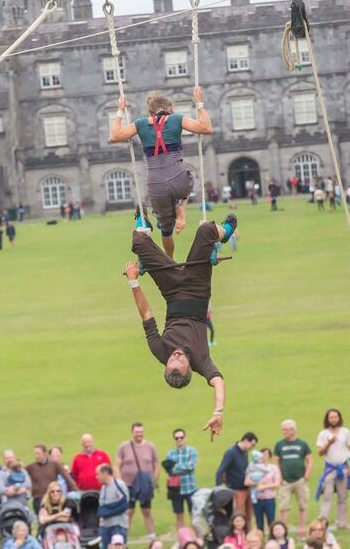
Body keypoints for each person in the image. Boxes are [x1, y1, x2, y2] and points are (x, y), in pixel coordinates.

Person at [126, 214, 236, 438]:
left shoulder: (161, 351)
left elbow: (146, 314)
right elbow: (218, 382)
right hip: (197, 287)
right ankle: (225, 231)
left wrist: (133, 281)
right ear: (188, 369)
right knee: (206, 231)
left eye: (171, 362)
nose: (175, 356)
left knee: (138, 242)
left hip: (173, 291)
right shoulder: (201, 361)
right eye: (179, 361)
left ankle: (143, 224)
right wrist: (218, 411)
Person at [110, 88, 214, 259]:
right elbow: (206, 127)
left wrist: (120, 110)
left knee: (166, 231)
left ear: (150, 111)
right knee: (189, 176)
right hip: (179, 179)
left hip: (155, 184)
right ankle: (181, 207)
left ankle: (170, 261)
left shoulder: (140, 123)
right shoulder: (176, 119)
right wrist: (199, 103)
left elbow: (115, 135)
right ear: (170, 108)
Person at [116, 422, 159, 538]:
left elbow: (156, 464)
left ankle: (152, 539)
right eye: (137, 432)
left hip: (145, 485)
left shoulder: (150, 447)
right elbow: (116, 465)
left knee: (147, 512)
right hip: (128, 485)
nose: (139, 434)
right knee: (128, 512)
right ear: (132, 433)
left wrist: (154, 481)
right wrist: (120, 484)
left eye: (141, 432)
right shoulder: (124, 447)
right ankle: (124, 540)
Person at [316, 408, 350, 530]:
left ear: (339, 418)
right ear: (327, 419)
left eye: (335, 417)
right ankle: (323, 522)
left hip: (342, 468)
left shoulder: (345, 432)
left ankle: (341, 523)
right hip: (329, 468)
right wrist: (328, 443)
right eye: (331, 417)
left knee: (343, 496)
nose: (333, 419)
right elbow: (320, 452)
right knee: (327, 495)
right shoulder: (323, 434)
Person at [274, 420, 313, 534]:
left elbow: (309, 460)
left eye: (286, 429)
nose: (284, 432)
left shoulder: (303, 444)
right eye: (283, 429)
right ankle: (283, 530)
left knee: (302, 505)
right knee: (283, 507)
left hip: (300, 480)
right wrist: (279, 477)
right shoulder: (279, 445)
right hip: (285, 481)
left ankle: (302, 529)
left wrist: (306, 476)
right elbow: (276, 461)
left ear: (293, 430)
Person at [217, 433, 258, 526]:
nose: (252, 448)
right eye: (252, 445)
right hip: (237, 490)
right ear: (246, 440)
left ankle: (248, 536)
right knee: (239, 517)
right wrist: (218, 490)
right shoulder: (231, 452)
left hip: (247, 488)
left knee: (249, 516)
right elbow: (220, 471)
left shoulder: (245, 453)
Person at [28, 445, 78, 512]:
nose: (36, 456)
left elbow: (67, 477)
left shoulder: (54, 464)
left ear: (44, 453)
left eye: (38, 454)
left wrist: (75, 489)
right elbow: (20, 472)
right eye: (35, 454)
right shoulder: (31, 467)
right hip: (38, 499)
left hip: (51, 499)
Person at [165, 428, 198, 530]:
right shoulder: (170, 454)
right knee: (179, 516)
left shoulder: (192, 451)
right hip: (176, 489)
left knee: (193, 515)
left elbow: (191, 466)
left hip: (190, 488)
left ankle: (195, 540)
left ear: (185, 438)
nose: (179, 440)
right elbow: (170, 470)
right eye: (176, 438)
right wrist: (183, 468)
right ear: (174, 440)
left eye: (181, 437)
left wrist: (176, 467)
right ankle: (181, 540)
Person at [247, 448, 281, 531]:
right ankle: (260, 541)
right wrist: (257, 484)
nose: (263, 456)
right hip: (257, 499)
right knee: (259, 523)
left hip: (269, 499)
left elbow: (277, 483)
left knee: (271, 522)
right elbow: (247, 481)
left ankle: (272, 540)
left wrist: (264, 486)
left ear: (269, 456)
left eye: (266, 454)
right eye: (262, 454)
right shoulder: (252, 467)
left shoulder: (273, 468)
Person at [97, 465, 130, 549]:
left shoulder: (118, 484)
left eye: (98, 474)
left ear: (105, 473)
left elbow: (124, 503)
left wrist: (107, 511)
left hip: (118, 525)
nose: (97, 477)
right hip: (106, 526)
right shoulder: (103, 487)